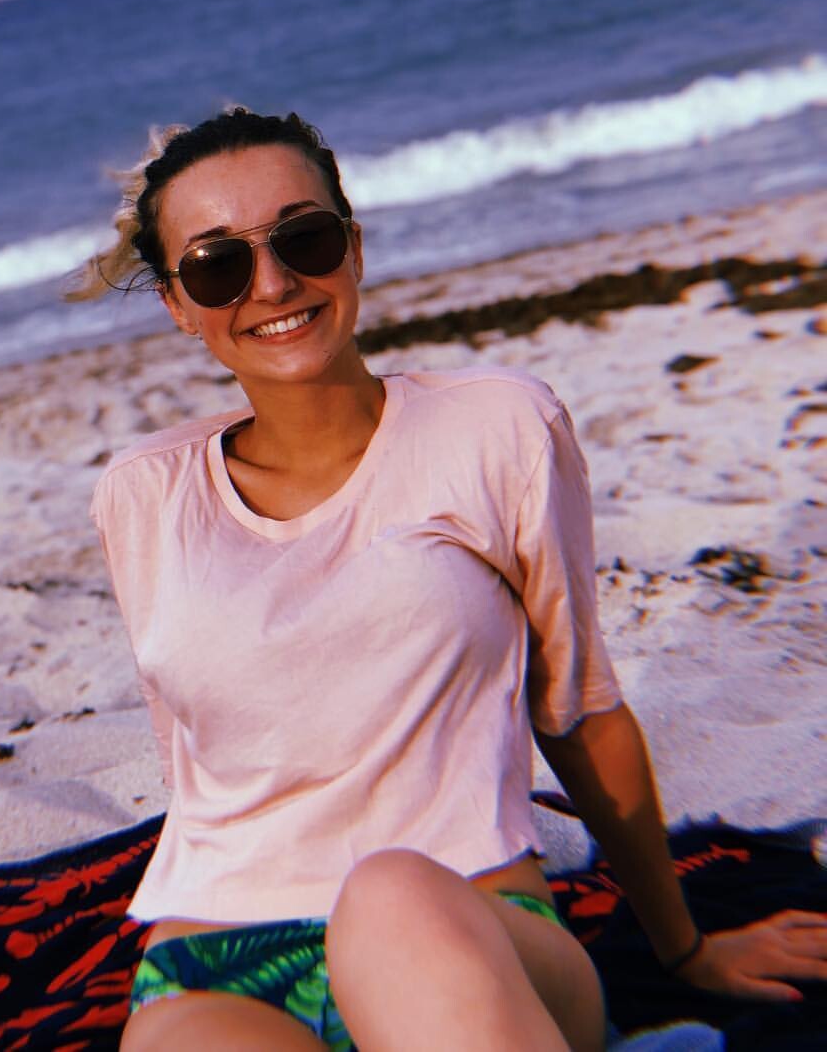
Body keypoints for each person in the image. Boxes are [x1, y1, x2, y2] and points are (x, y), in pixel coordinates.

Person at [79, 108, 827, 1051]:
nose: (271, 283)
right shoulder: (143, 495)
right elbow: (198, 756)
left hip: (457, 916)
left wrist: (683, 949)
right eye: (217, 264)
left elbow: (580, 708)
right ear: (180, 304)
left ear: (353, 248)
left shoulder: (498, 428)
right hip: (217, 954)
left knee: (388, 892)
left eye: (303, 239)